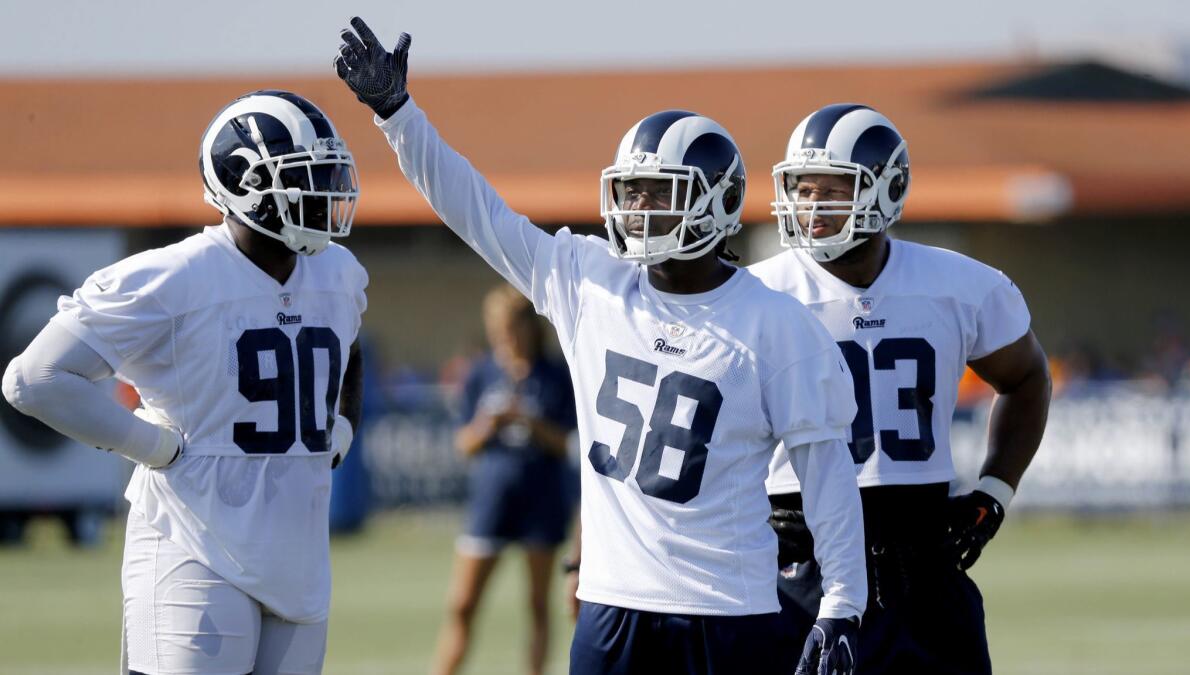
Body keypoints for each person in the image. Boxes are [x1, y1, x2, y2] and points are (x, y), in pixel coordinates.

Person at [334, 18, 866, 675]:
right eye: (631, 190)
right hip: (612, 605)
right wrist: (398, 115)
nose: (636, 207)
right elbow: (477, 212)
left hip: (731, 608)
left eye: (658, 193)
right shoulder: (590, 279)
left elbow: (827, 475)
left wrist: (843, 601)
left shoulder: (776, 323)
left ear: (716, 203)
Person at [2, 90, 368, 675]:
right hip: (193, 543)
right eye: (308, 176)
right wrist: (152, 447)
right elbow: (33, 377)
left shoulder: (338, 272)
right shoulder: (175, 276)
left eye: (328, 172)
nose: (327, 191)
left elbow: (349, 343)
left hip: (299, 554)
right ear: (245, 183)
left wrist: (342, 425)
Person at [750, 103, 1052, 674]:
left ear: (886, 190)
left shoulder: (960, 285)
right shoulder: (757, 295)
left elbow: (1026, 376)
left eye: (833, 188)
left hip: (922, 563)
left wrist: (995, 490)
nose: (811, 206)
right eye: (802, 187)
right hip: (797, 563)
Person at [432, 283, 576, 675]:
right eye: (496, 328)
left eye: (511, 327)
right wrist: (488, 424)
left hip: (541, 499)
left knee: (537, 605)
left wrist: (530, 421)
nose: (504, 337)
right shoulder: (482, 372)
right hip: (490, 499)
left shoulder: (555, 375)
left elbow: (569, 444)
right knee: (462, 604)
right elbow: (464, 443)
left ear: (529, 327)